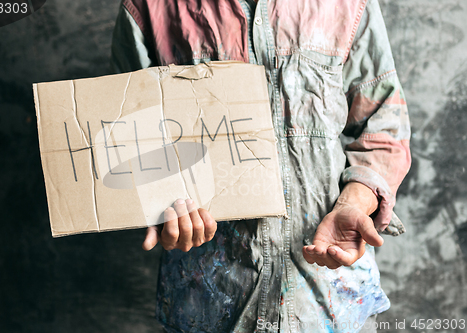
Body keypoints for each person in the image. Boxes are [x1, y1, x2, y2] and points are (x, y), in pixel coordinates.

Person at [110, 0, 411, 332]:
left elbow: (384, 128)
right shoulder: (149, 8)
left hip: (331, 304)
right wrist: (162, 200)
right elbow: (128, 138)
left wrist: (354, 202)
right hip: (211, 306)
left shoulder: (348, 4)